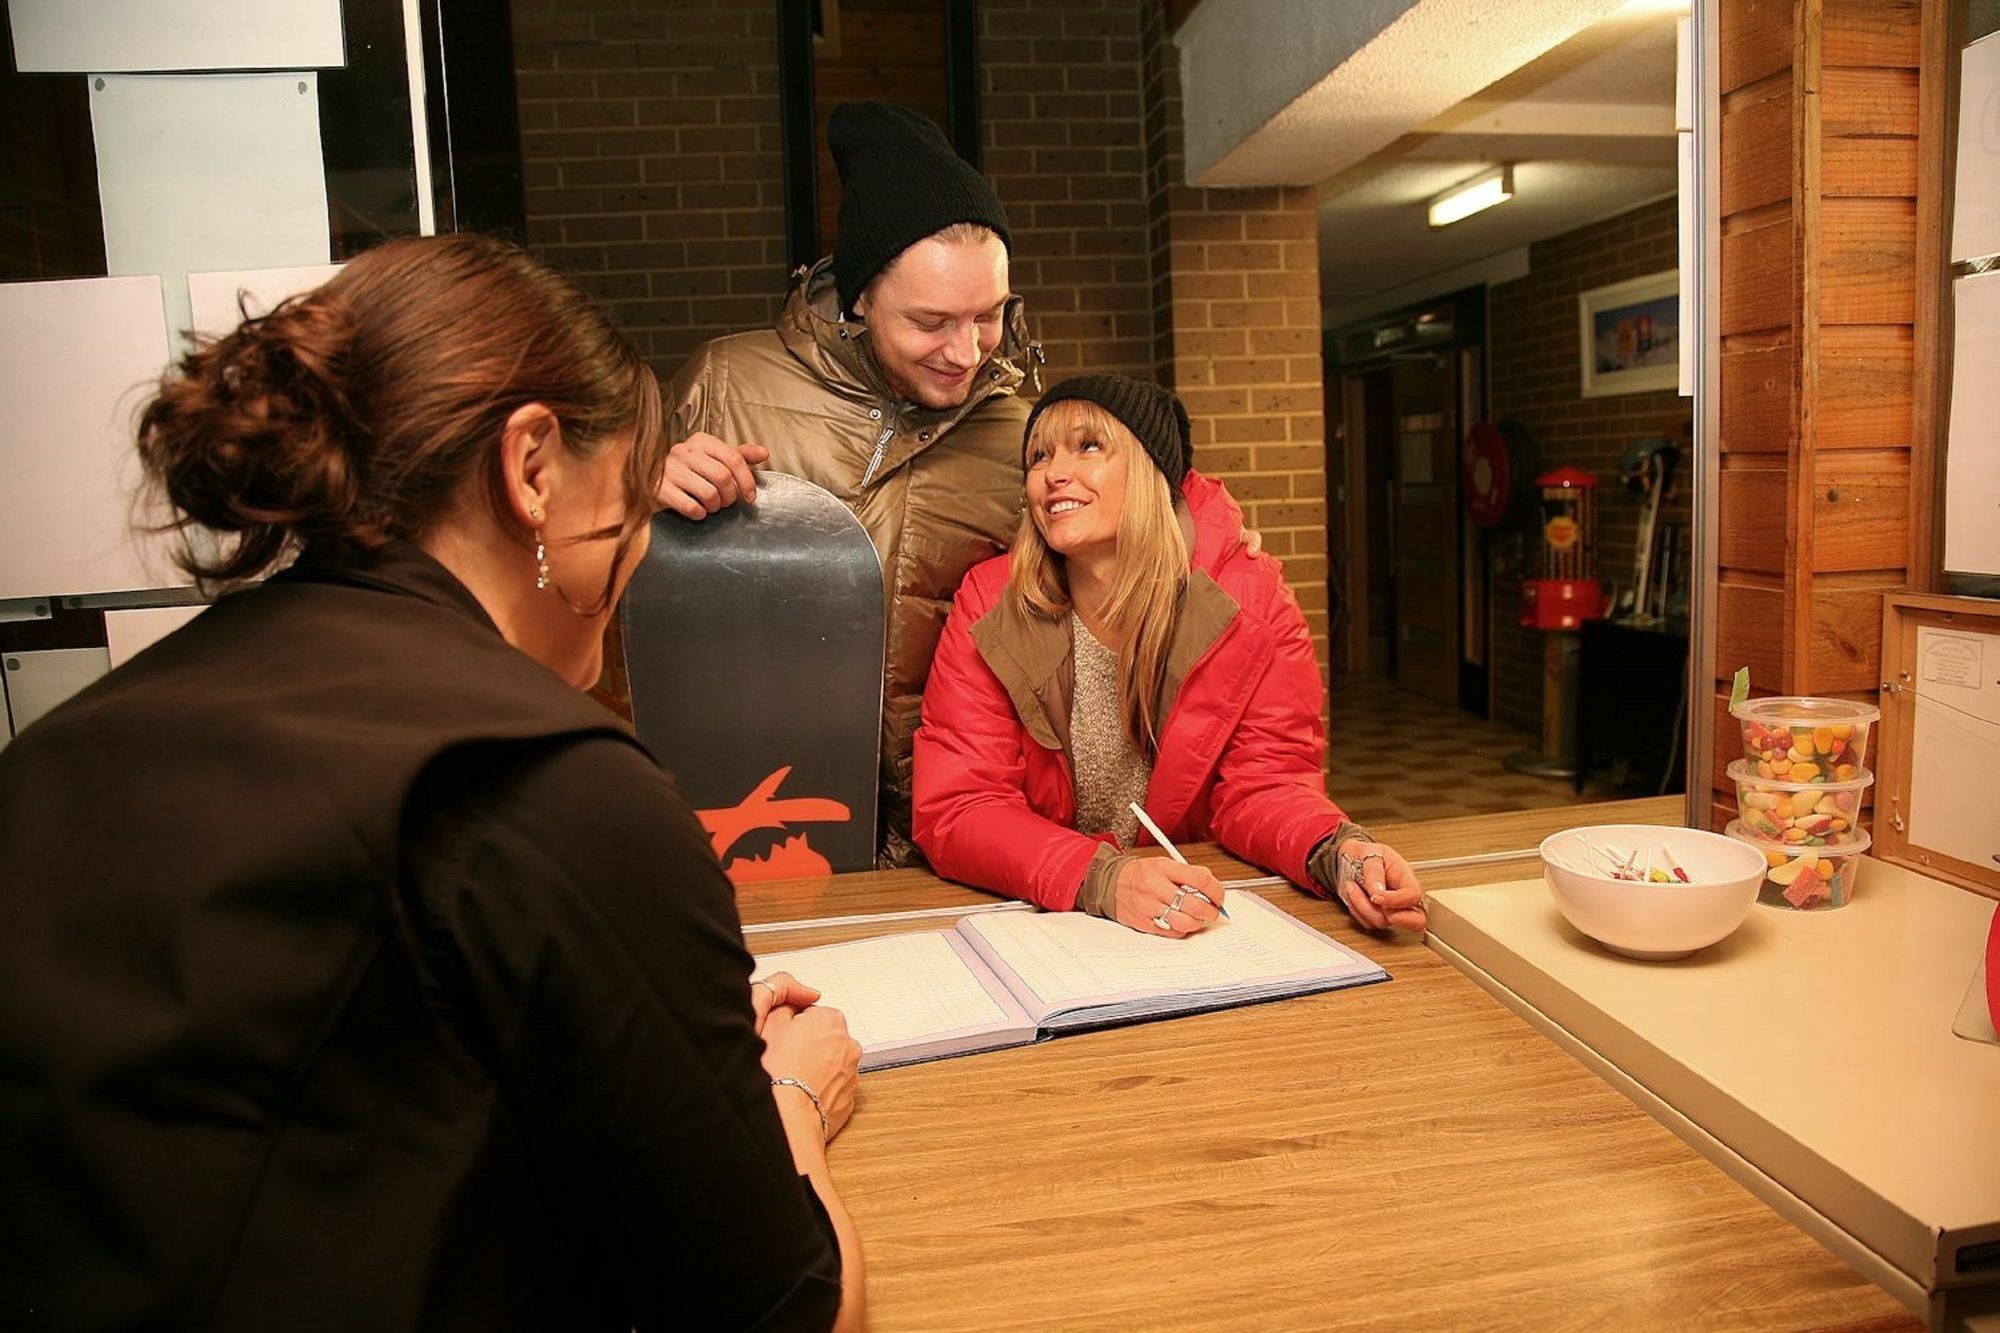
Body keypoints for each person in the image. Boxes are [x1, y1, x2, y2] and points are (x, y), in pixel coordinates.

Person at [0, 234, 864, 1331]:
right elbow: (791, 1308)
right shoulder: (551, 784)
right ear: (533, 466)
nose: (641, 545)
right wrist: (786, 1092)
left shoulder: (72, 743)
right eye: (633, 498)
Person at [656, 101, 1036, 869]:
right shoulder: (723, 386)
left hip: (948, 845)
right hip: (761, 829)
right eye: (932, 321)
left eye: (988, 316)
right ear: (861, 295)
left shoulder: (1023, 436)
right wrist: (641, 497)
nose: (966, 352)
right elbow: (593, 602)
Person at [911, 374, 1427, 937]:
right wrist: (1100, 879)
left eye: (1089, 446)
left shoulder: (1249, 601)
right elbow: (960, 805)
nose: (1054, 473)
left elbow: (1265, 784)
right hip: (1045, 917)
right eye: (1039, 456)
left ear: (1152, 470)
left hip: (1190, 920)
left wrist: (1338, 851)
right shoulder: (990, 603)